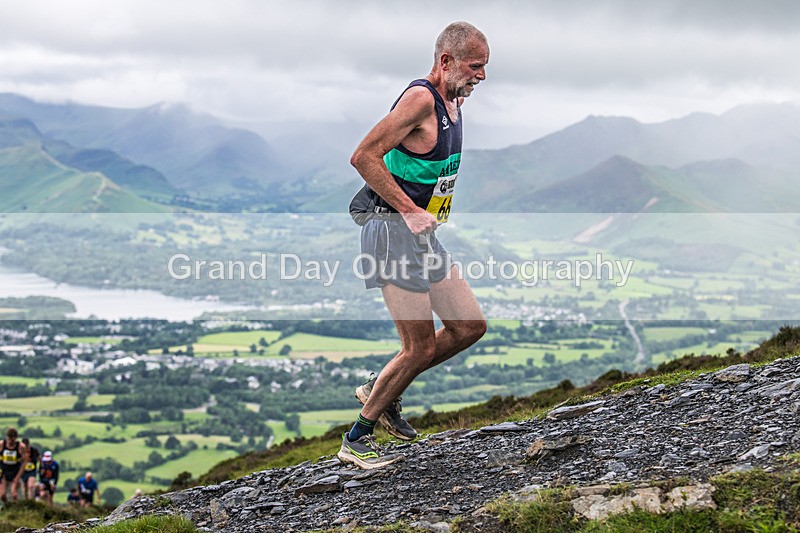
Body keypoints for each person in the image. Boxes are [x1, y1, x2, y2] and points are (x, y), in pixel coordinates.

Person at [340, 21, 489, 469]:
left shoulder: (453, 102)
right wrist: (408, 209)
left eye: (485, 67)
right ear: (446, 61)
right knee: (419, 347)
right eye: (475, 66)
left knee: (469, 326)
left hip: (421, 236)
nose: (482, 76)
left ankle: (382, 387)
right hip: (390, 230)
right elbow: (363, 156)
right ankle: (356, 440)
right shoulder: (421, 98)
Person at [0, 427, 28, 502]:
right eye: (8, 439)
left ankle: (16, 509)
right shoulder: (2, 444)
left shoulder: (21, 447)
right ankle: (7, 508)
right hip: (4, 471)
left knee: (14, 494)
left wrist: (18, 477)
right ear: (7, 437)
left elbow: (25, 462)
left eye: (12, 440)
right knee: (2, 495)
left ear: (16, 438)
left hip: (15, 471)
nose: (10, 442)